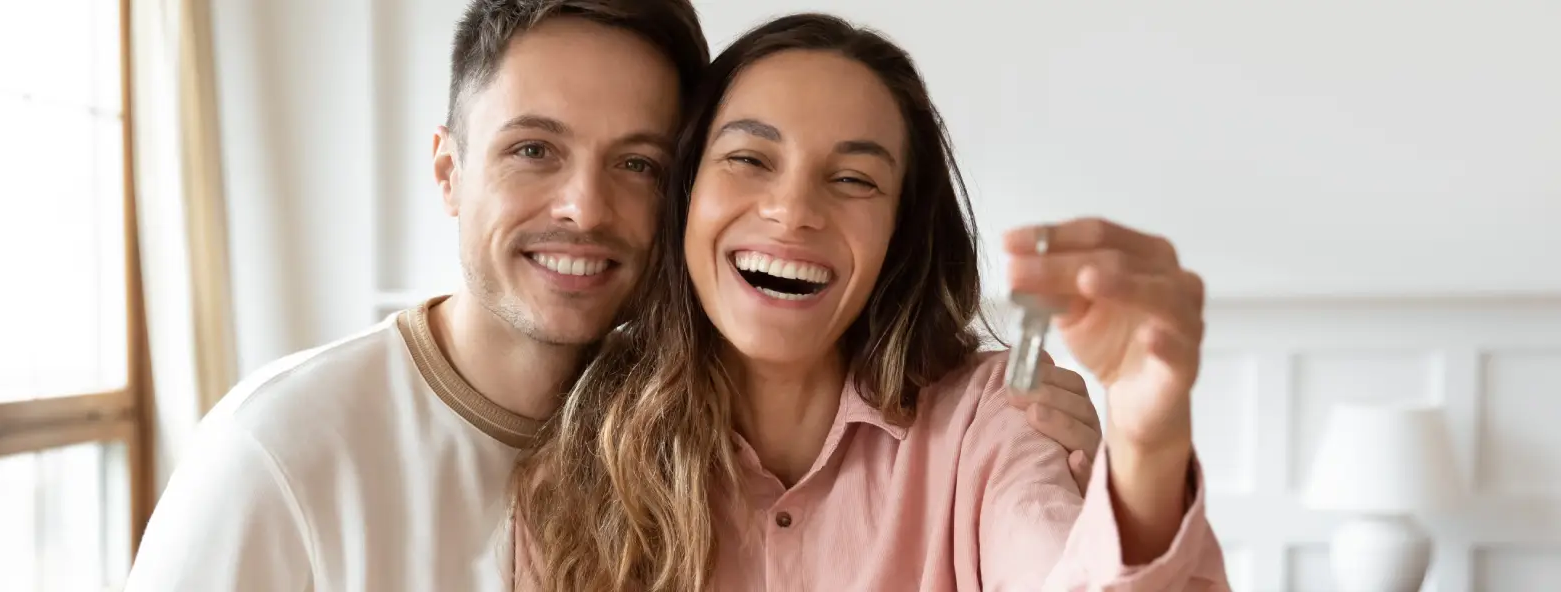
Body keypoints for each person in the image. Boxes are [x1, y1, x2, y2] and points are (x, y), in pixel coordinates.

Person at [124, 2, 1103, 590]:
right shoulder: (283, 452)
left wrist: (1116, 479)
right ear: (449, 170)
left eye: (636, 162)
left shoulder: (670, 428)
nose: (585, 207)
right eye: (533, 150)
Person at [515, 13, 1230, 591]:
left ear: (899, 230)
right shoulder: (579, 452)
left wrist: (1150, 441)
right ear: (686, 197)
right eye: (749, 159)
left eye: (854, 179)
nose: (793, 211)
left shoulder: (995, 417)